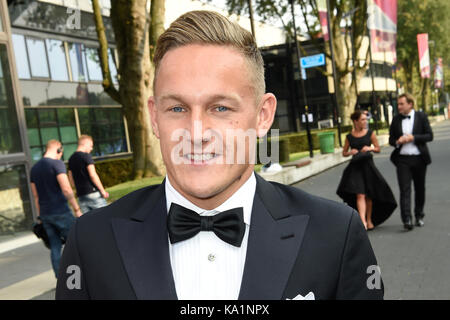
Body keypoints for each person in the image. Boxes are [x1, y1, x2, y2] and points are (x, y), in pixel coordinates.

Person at [56, 11, 383, 300]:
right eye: (178, 108)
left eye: (221, 107)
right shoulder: (91, 242)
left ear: (263, 116)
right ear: (155, 118)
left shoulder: (335, 234)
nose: (196, 133)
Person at [337, 111, 397, 230]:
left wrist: (369, 148)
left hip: (368, 166)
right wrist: (350, 152)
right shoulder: (349, 136)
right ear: (355, 121)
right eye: (363, 119)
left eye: (366, 119)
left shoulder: (370, 134)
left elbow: (378, 149)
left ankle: (369, 220)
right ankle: (362, 221)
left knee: (369, 195)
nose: (365, 122)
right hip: (355, 168)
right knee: (360, 194)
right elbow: (344, 153)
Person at [30, 140, 82, 277]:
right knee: (75, 242)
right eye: (61, 153)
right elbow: (66, 188)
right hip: (61, 212)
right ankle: (78, 276)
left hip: (46, 214)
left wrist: (40, 216)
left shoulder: (34, 169)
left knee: (55, 246)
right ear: (58, 150)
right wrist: (76, 208)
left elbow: (36, 196)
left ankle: (60, 278)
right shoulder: (56, 164)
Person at [389, 93, 433, 230]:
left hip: (419, 158)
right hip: (402, 160)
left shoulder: (421, 116)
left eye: (402, 104)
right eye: (398, 104)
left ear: (410, 104)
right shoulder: (395, 120)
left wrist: (413, 137)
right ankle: (406, 219)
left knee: (420, 189)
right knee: (404, 189)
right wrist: (397, 141)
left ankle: (419, 215)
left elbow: (429, 135)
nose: (399, 106)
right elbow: (391, 139)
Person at [68, 135, 109, 214]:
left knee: (89, 222)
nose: (91, 149)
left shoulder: (71, 159)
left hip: (81, 196)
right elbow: (93, 175)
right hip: (93, 193)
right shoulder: (86, 156)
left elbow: (70, 177)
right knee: (104, 217)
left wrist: (76, 187)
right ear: (85, 144)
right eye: (91, 146)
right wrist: (102, 191)